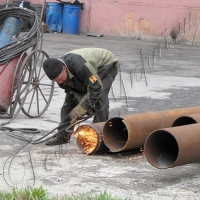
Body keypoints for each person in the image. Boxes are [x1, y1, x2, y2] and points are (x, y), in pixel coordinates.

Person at [43, 48, 119, 145]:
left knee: (100, 98)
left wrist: (83, 107)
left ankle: (98, 137)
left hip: (106, 65)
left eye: (60, 79)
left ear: (64, 68)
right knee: (69, 104)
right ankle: (63, 136)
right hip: (85, 71)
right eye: (56, 81)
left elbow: (95, 88)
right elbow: (73, 93)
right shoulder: (60, 75)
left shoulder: (80, 66)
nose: (60, 82)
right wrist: (80, 109)